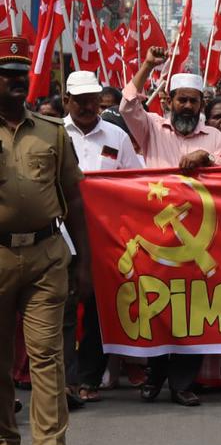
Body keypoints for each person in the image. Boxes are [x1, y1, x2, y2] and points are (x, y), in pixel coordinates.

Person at [122, 48, 221, 407]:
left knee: (193, 309)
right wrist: (147, 65)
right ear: (169, 100)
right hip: (157, 235)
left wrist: (207, 158)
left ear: (202, 103)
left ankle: (183, 383)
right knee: (158, 304)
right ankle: (154, 376)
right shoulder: (152, 129)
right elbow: (128, 106)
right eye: (181, 100)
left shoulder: (215, 137)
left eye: (193, 100)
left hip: (203, 238)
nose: (187, 106)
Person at [0, 38, 90, 445]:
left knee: (47, 356)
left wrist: (84, 263)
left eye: (22, 74)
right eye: (7, 75)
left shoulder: (52, 131)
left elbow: (73, 196)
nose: (18, 82)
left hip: (46, 254)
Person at [61, 72, 142, 407]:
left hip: (104, 240)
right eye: (79, 99)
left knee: (97, 310)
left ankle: (88, 379)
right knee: (61, 312)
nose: (86, 106)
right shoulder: (54, 134)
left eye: (91, 99)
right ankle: (64, 382)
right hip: (60, 237)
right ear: (66, 100)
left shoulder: (116, 136)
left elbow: (135, 181)